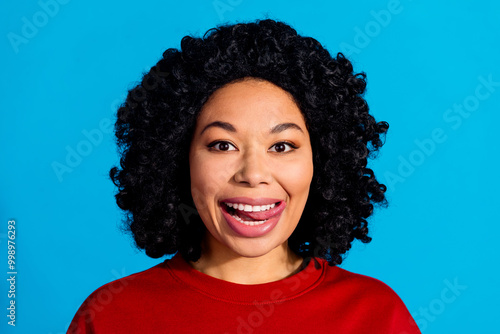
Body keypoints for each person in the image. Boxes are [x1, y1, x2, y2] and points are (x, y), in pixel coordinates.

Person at [68, 19, 420, 333]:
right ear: (180, 159)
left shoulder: (376, 316)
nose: (253, 174)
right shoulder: (112, 316)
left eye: (282, 146)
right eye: (223, 145)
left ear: (321, 161)